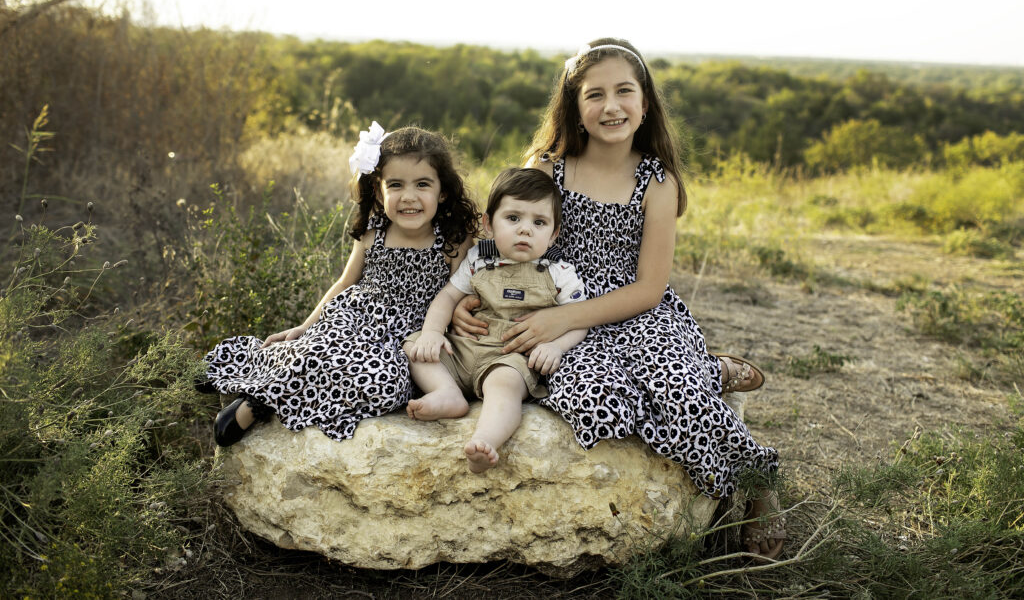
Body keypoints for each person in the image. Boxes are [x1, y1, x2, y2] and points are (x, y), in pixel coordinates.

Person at [453, 39, 785, 559]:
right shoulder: (548, 167)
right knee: (592, 402)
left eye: (624, 92)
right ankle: (709, 371)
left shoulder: (657, 181)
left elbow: (649, 288)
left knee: (675, 393)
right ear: (575, 108)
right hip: (562, 318)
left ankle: (757, 475)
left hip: (634, 312)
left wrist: (558, 320)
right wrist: (461, 297)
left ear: (645, 102)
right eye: (595, 95)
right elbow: (501, 235)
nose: (611, 107)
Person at [198, 123, 479, 447]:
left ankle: (267, 391)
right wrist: (306, 325)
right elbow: (346, 282)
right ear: (378, 191)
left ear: (442, 191)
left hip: (404, 341)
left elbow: (462, 293)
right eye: (396, 185)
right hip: (352, 318)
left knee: (385, 384)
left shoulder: (455, 241)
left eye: (423, 184)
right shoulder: (375, 232)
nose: (409, 197)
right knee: (320, 351)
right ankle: (256, 401)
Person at [403, 168, 588, 473]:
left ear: (554, 234)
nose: (525, 230)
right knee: (415, 348)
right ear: (488, 224)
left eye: (538, 222)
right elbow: (448, 296)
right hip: (463, 351)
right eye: (513, 218)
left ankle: (485, 440)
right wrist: (433, 332)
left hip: (508, 358)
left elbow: (578, 319)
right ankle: (446, 392)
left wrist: (556, 347)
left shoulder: (559, 272)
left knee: (505, 386)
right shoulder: (478, 259)